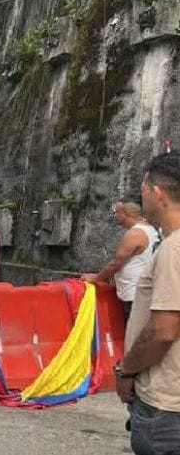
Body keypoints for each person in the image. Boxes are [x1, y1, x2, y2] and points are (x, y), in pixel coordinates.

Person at [115, 152, 180, 454]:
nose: (142, 200)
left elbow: (163, 331)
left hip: (165, 407)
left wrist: (126, 371)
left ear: (157, 193)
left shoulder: (173, 249)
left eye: (142, 192)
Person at [82, 201, 159, 323]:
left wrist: (97, 278)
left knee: (133, 336)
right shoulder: (152, 230)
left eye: (115, 212)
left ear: (125, 213)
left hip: (134, 294)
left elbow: (116, 263)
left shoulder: (135, 233)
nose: (113, 216)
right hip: (146, 291)